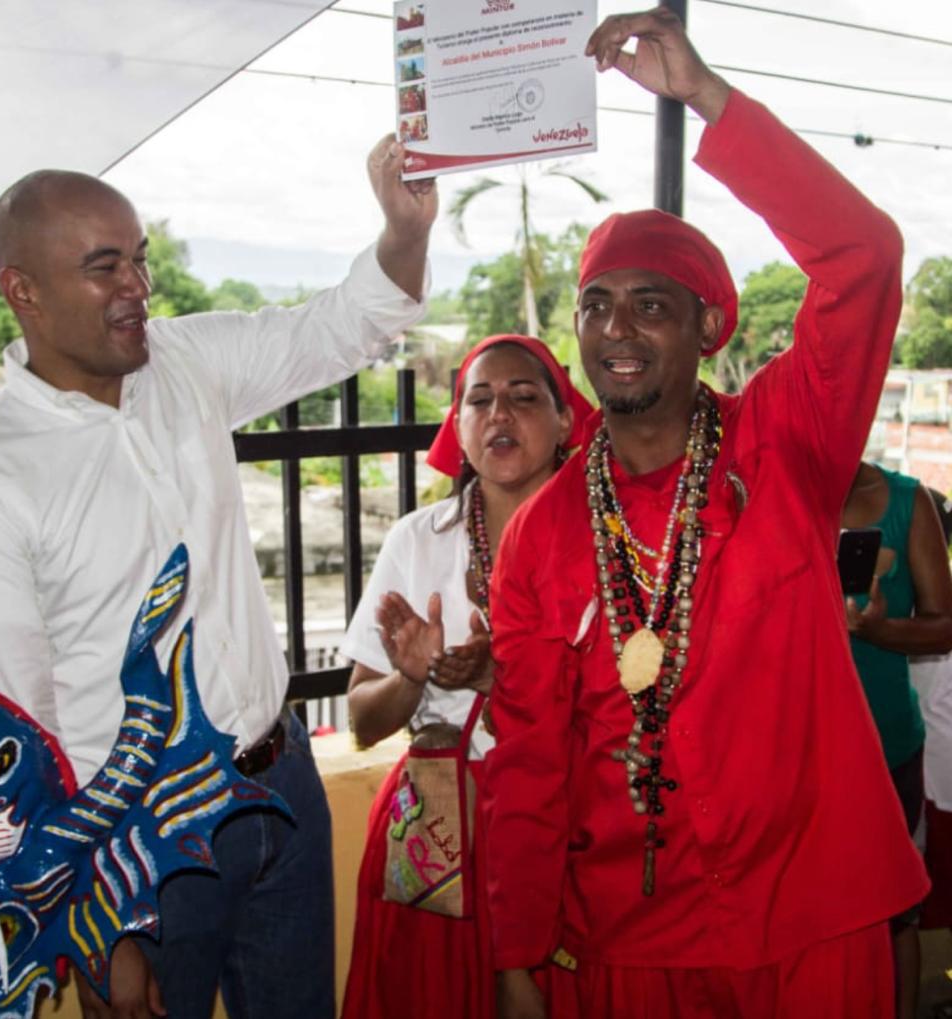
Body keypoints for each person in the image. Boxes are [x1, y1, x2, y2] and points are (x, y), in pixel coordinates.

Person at [483, 8, 929, 1018]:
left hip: (813, 913)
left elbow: (862, 254)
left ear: (708, 324)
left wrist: (709, 102)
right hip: (628, 936)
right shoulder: (544, 532)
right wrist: (515, 954)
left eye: (650, 301)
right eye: (596, 303)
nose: (616, 327)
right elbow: (527, 755)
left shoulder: (785, 439)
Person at [0, 137, 436, 1019]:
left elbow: (340, 323)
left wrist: (402, 227)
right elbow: (21, 746)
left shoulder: (185, 364)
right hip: (134, 846)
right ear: (23, 291)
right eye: (104, 267)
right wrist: (104, 933)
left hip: (281, 788)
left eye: (140, 259)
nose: (137, 286)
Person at [340, 334, 592, 1019]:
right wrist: (414, 677)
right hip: (436, 826)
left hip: (560, 825)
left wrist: (495, 677)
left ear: (567, 419)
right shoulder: (419, 538)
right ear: (459, 425)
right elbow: (362, 720)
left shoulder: (602, 540)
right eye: (479, 400)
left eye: (523, 397)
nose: (499, 414)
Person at [842, 463, 952, 1019]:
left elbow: (944, 625)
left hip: (886, 749)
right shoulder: (761, 492)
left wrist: (876, 630)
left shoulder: (909, 502)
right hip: (790, 752)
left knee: (896, 915)